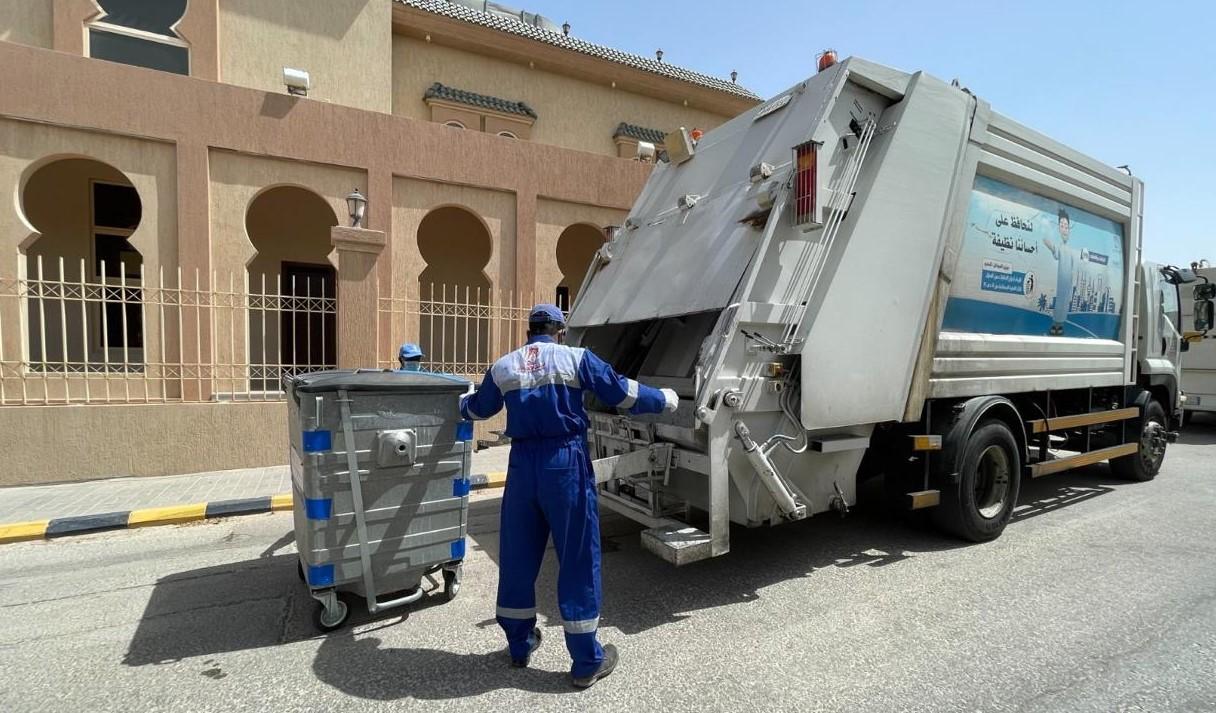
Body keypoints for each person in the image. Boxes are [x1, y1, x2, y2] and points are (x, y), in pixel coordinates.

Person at [459, 304, 678, 689]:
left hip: (522, 465)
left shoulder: (504, 366)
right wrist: (664, 400)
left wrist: (458, 402)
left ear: (529, 331)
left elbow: (478, 409)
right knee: (577, 556)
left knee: (519, 555)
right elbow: (622, 393)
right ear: (560, 331)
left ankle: (519, 644)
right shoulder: (576, 358)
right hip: (565, 461)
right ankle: (586, 661)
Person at [1042, 208, 1076, 336]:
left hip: (1068, 283)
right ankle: (1056, 325)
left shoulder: (1072, 249)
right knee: (1060, 300)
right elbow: (1054, 249)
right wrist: (1048, 243)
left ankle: (1059, 326)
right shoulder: (1061, 247)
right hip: (1062, 282)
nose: (1064, 228)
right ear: (1059, 228)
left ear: (1069, 228)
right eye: (1061, 226)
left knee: (1064, 301)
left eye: (1066, 226)